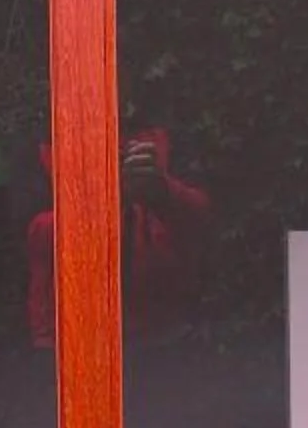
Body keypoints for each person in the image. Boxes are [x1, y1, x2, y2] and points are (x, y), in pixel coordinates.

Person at [24, 124, 210, 346]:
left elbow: (206, 220)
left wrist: (162, 191)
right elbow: (31, 236)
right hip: (78, 338)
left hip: (167, 331)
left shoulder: (172, 127)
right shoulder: (47, 136)